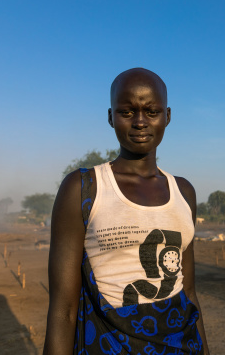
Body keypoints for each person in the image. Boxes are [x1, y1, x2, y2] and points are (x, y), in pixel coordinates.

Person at [43, 68, 209, 354]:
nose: (141, 122)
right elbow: (64, 309)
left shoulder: (184, 192)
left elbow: (189, 292)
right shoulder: (84, 188)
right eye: (127, 112)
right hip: (109, 345)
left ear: (167, 116)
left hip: (182, 344)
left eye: (151, 111)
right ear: (111, 117)